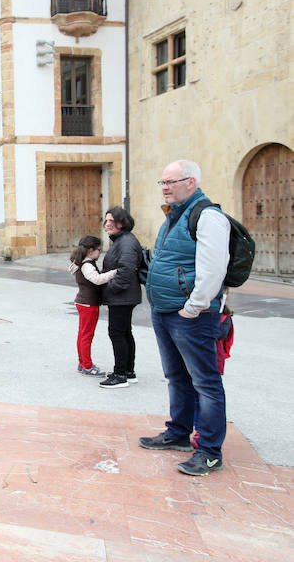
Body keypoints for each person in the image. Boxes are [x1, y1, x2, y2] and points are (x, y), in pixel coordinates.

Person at [140, 159, 230, 476]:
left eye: (171, 182)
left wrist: (193, 307)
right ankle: (178, 432)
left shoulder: (208, 217)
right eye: (162, 182)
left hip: (192, 315)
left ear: (191, 182)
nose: (165, 187)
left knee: (205, 383)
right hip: (165, 312)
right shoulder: (173, 216)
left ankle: (208, 452)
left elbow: (213, 269)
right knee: (177, 377)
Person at [99, 207, 143, 388]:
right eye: (106, 221)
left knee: (117, 333)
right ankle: (127, 371)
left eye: (112, 221)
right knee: (124, 332)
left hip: (122, 296)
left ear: (122, 223)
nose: (108, 224)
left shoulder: (126, 242)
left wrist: (111, 288)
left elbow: (126, 270)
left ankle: (120, 375)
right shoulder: (122, 240)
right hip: (124, 295)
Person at [68, 236, 117, 376]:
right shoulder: (87, 265)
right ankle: (87, 366)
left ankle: (82, 363)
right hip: (88, 304)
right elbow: (97, 279)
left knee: (82, 334)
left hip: (83, 302)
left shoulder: (79, 262)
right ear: (91, 250)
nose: (100, 252)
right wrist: (114, 273)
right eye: (99, 249)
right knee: (87, 335)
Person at [191, 302, 234, 450]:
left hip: (212, 363)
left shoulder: (224, 318)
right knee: (196, 399)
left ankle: (203, 433)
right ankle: (198, 430)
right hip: (196, 361)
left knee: (207, 399)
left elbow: (218, 334)